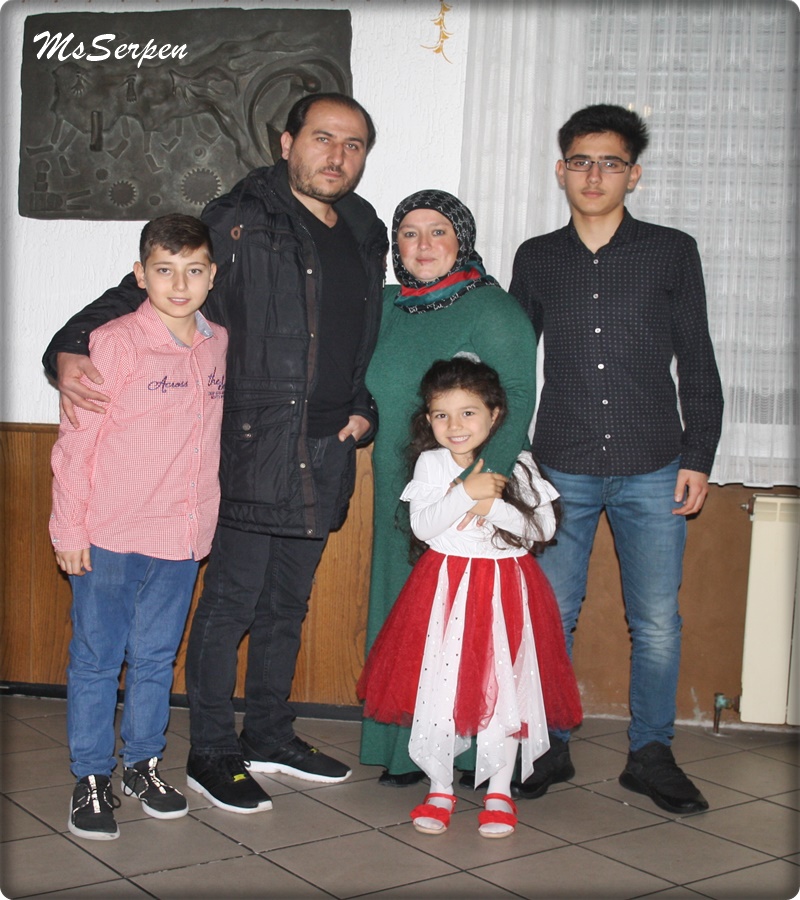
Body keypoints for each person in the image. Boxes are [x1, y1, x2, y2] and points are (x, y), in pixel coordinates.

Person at [43, 93, 389, 814]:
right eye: (322, 138)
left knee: (287, 606)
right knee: (230, 605)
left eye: (353, 144)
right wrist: (69, 348)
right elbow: (147, 288)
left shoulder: (363, 226)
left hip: (325, 452)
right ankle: (211, 750)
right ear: (287, 142)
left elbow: (354, 333)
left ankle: (268, 733)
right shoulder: (239, 217)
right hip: (249, 451)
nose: (336, 156)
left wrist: (363, 405)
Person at [509, 104, 724, 815]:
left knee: (656, 621)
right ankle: (548, 742)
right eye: (581, 161)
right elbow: (514, 362)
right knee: (552, 614)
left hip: (654, 463)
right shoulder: (537, 258)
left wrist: (699, 454)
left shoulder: (671, 251)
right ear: (561, 170)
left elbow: (697, 360)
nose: (594, 175)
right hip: (560, 464)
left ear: (634, 175)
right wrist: (508, 454)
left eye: (610, 162)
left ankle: (650, 754)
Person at [50, 214, 226, 839]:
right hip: (112, 535)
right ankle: (92, 776)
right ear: (140, 274)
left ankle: (143, 765)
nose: (180, 284)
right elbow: (77, 442)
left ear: (211, 275)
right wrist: (68, 529)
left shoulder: (218, 343)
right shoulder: (115, 342)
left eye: (193, 270)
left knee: (155, 658)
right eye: (164, 270)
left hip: (180, 537)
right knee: (98, 660)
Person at [358, 190, 540, 786]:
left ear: (462, 238)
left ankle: (465, 752)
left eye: (438, 230)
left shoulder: (492, 308)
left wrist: (476, 489)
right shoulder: (390, 305)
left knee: (460, 623)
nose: (424, 244)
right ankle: (407, 748)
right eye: (409, 232)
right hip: (400, 485)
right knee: (405, 616)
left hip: (467, 488)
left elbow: (516, 399)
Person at [358, 357, 582, 838]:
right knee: (439, 689)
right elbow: (423, 525)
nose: (455, 426)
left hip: (505, 590)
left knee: (503, 690)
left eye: (468, 413)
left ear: (495, 415)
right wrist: (464, 492)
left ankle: (499, 790)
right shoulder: (432, 462)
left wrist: (490, 504)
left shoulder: (518, 462)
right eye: (442, 415)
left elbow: (541, 529)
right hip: (444, 590)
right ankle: (440, 787)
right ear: (428, 419)